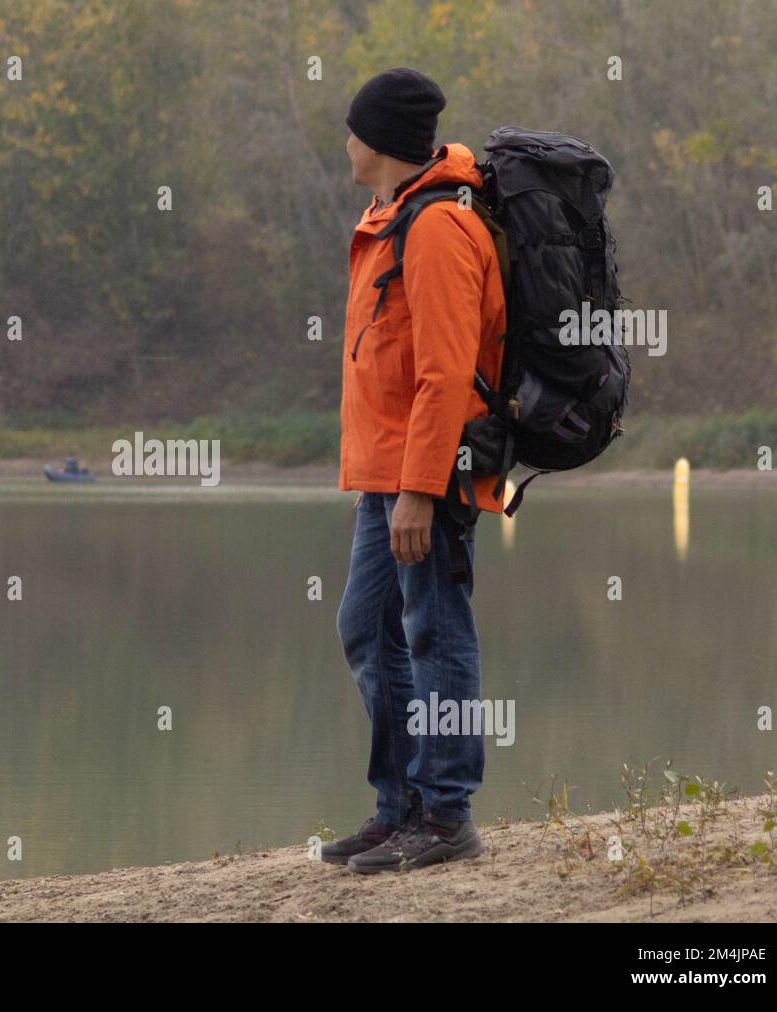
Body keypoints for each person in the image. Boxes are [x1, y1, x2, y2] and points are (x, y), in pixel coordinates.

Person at [322, 68, 507, 874]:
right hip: (387, 473)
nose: (346, 140)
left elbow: (445, 373)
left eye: (354, 127)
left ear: (383, 140)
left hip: (425, 477)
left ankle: (446, 812)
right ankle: (399, 806)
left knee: (434, 630)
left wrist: (420, 490)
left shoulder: (433, 230)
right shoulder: (390, 215)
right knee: (368, 629)